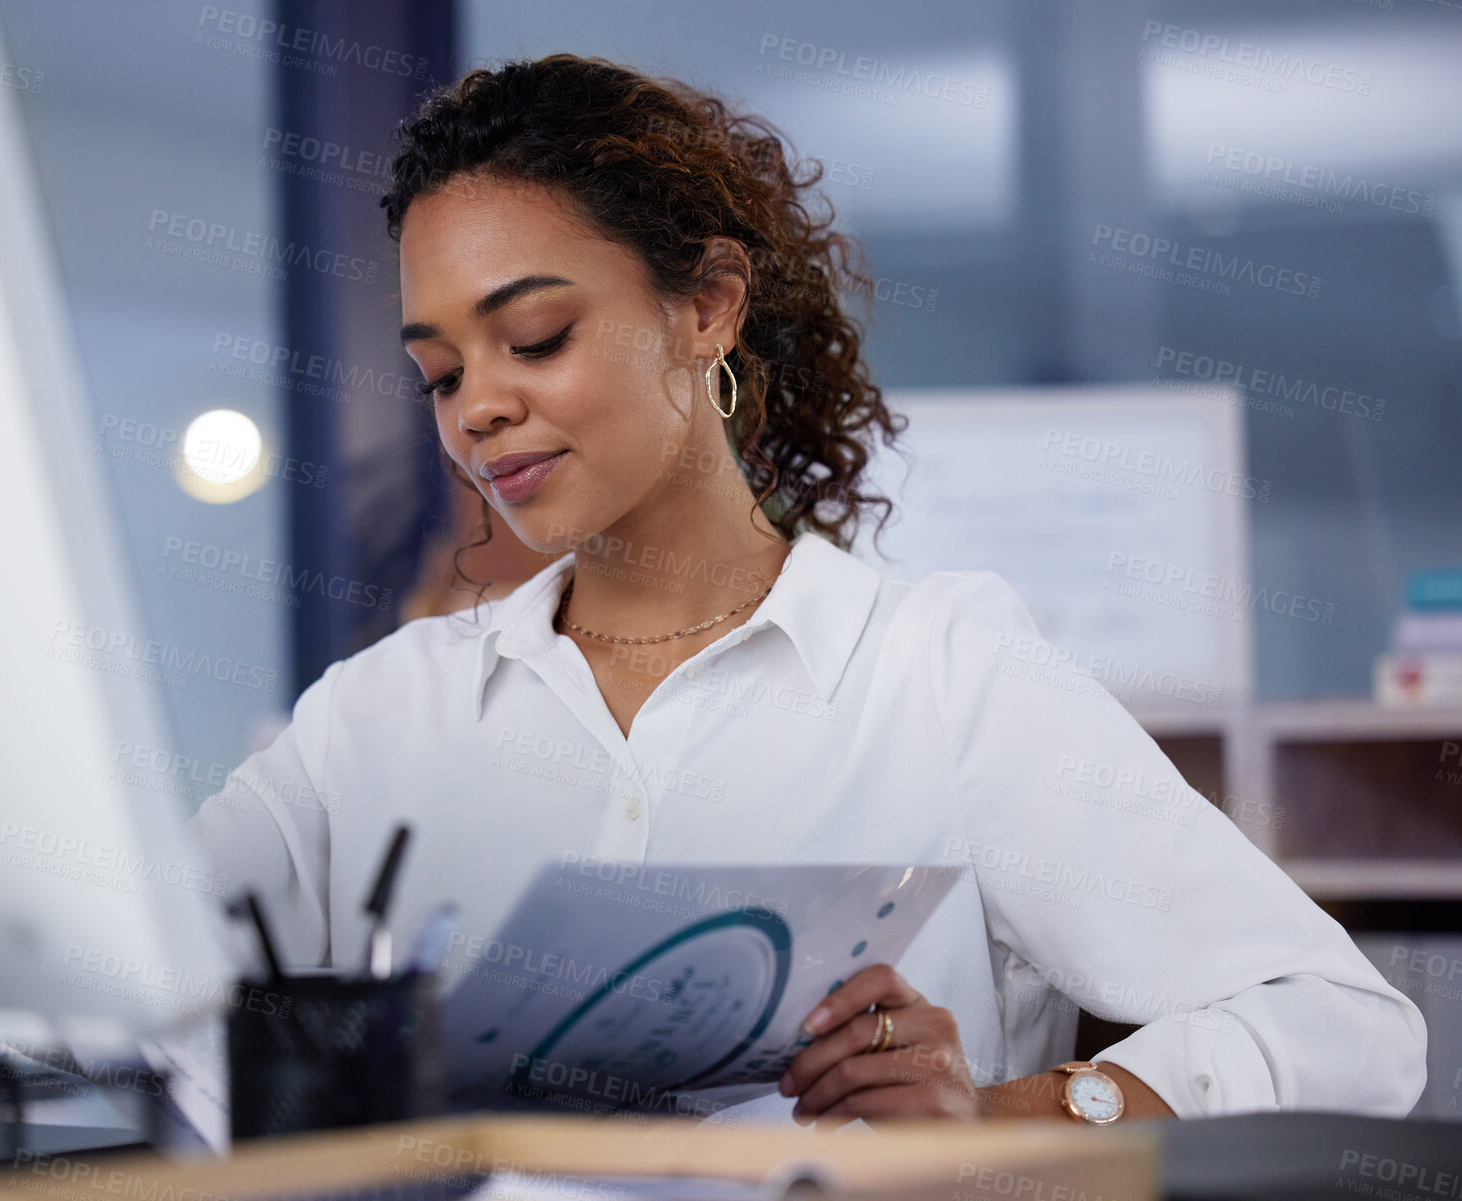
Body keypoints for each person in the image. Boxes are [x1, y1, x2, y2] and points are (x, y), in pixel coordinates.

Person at [188, 53, 1425, 1127]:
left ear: (708, 309)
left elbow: (1339, 1022)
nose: (481, 408)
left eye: (539, 336)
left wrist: (1008, 1119)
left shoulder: (944, 676)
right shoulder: (376, 722)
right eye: (440, 374)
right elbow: (126, 995)